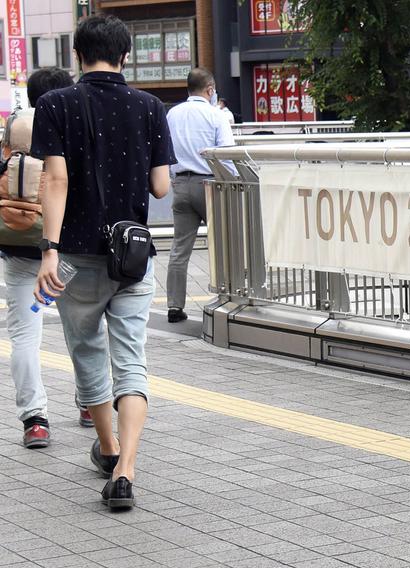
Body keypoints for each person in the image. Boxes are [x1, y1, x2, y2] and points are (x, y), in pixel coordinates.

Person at [30, 15, 175, 510]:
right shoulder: (152, 106)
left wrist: (48, 249)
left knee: (88, 354)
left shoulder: (55, 104)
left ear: (77, 55)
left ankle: (109, 449)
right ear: (125, 56)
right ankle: (127, 472)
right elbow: (160, 187)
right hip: (133, 256)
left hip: (75, 255)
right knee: (131, 361)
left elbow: (55, 181)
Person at [0, 67, 92, 450]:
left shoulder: (14, 128)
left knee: (24, 335)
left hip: (19, 245)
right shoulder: (73, 124)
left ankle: (35, 420)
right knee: (85, 329)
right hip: (68, 248)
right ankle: (90, 402)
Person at [166, 69, 236, 323]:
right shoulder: (215, 115)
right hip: (210, 184)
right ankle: (225, 298)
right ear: (210, 90)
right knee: (223, 244)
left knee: (179, 248)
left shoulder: (172, 114)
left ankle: (174, 305)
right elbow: (226, 156)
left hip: (181, 184)